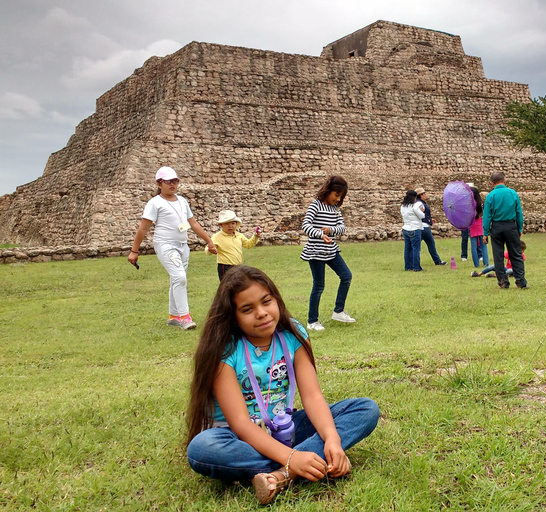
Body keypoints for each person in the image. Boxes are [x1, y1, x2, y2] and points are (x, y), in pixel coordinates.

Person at [185, 266, 379, 505]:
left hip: (284, 427)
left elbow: (313, 397)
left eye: (266, 301)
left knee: (365, 409)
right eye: (247, 309)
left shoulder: (293, 334)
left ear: (276, 299)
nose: (262, 313)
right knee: (202, 449)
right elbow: (241, 424)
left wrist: (332, 439)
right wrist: (292, 458)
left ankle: (282, 475)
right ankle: (307, 462)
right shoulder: (223, 350)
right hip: (236, 437)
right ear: (232, 317)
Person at [127, 166, 217, 330]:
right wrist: (134, 251)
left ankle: (174, 315)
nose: (173, 184)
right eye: (169, 181)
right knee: (180, 277)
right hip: (165, 245)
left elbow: (193, 223)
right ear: (159, 183)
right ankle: (185, 317)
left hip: (183, 245)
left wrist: (209, 241)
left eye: (175, 181)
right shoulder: (154, 203)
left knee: (177, 279)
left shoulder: (182, 201)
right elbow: (144, 228)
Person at [300, 176, 355, 332]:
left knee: (346, 276)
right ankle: (312, 321)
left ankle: (338, 311)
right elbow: (306, 225)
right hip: (315, 251)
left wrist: (331, 230)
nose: (337, 199)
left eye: (340, 197)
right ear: (328, 190)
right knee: (319, 286)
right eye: (336, 195)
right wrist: (319, 234)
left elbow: (342, 227)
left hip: (331, 250)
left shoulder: (335, 209)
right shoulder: (315, 205)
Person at [482, 172, 528, 290]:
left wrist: (485, 232)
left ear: (492, 183)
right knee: (516, 254)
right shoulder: (512, 193)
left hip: (496, 227)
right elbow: (519, 213)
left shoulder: (490, 196)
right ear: (504, 180)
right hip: (510, 226)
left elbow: (487, 216)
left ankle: (503, 282)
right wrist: (519, 228)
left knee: (498, 256)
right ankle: (520, 281)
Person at [207, 210, 260, 281]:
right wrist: (210, 250)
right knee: (227, 286)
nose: (230, 226)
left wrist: (255, 236)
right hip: (225, 266)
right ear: (221, 225)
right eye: (227, 224)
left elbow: (248, 245)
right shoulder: (217, 237)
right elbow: (209, 248)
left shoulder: (239, 235)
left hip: (238, 266)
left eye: (233, 223)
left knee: (239, 285)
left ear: (236, 224)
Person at [414, 187, 446, 266]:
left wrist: (430, 219)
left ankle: (412, 261)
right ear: (421, 195)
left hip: (419, 226)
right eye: (424, 194)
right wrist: (428, 220)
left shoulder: (418, 203)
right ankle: (437, 260)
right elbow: (421, 214)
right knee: (430, 243)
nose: (425, 195)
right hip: (424, 227)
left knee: (415, 246)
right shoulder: (420, 204)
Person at [400, 190, 425, 271]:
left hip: (406, 228)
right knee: (416, 249)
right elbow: (421, 216)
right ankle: (416, 267)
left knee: (407, 249)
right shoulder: (414, 206)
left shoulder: (403, 206)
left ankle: (408, 266)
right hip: (415, 228)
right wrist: (422, 212)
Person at [468, 187, 489, 268]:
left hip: (472, 224)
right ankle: (486, 263)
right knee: (483, 245)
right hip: (480, 223)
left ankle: (476, 264)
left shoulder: (469, 204)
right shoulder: (481, 204)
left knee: (473, 245)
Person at [459, 182, 474, 261]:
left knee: (475, 238)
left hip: (472, 221)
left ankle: (478, 254)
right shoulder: (462, 200)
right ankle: (464, 255)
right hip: (464, 221)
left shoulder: (474, 199)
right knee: (464, 238)